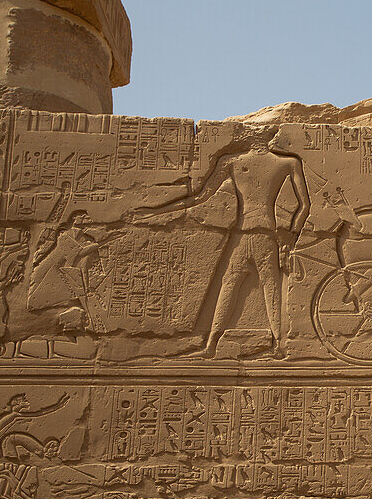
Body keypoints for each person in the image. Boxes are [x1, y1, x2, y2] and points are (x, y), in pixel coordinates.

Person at [132, 129, 310, 356]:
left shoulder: (233, 161)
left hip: (244, 232)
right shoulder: (285, 163)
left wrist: (156, 211)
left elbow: (199, 197)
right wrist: (291, 233)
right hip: (265, 233)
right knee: (268, 286)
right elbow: (304, 206)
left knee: (233, 286)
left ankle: (213, 345)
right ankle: (275, 345)